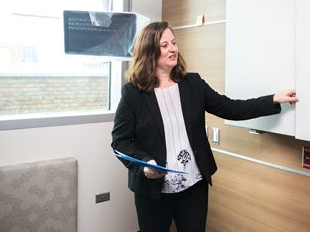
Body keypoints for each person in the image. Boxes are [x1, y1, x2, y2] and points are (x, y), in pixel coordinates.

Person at [111, 21, 298, 232]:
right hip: (153, 193)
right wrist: (145, 163)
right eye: (164, 45)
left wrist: (273, 99)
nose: (173, 48)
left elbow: (232, 108)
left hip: (194, 188)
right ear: (149, 51)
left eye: (174, 42)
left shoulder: (193, 84)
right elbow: (120, 142)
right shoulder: (133, 93)